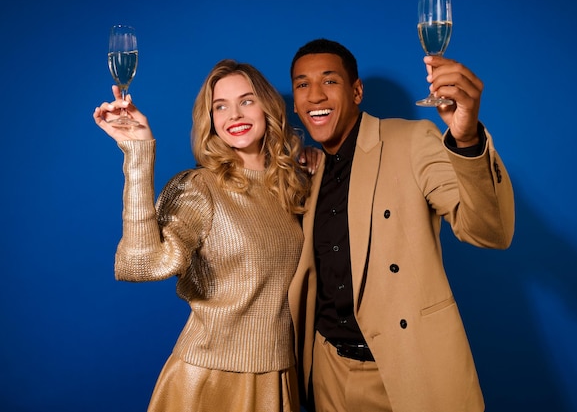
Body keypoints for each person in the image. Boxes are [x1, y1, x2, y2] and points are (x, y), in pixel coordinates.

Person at [287, 38, 515, 412]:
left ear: (357, 91)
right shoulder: (306, 172)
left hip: (403, 370)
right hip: (327, 373)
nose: (314, 95)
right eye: (302, 84)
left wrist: (467, 138)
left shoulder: (412, 140)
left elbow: (489, 231)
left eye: (329, 81)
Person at [93, 59, 316, 412]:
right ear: (210, 121)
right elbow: (140, 265)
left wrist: (315, 159)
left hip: (279, 373)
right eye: (220, 106)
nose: (234, 115)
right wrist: (138, 155)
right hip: (210, 377)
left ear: (268, 107)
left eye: (246, 100)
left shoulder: (293, 186)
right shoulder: (201, 188)